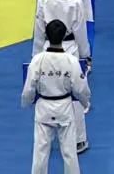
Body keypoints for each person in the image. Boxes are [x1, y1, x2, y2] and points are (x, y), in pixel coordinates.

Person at [21, 19, 88, 174]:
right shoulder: (71, 61)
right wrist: (85, 103)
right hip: (64, 107)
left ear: (46, 35)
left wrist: (27, 102)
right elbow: (80, 88)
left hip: (44, 107)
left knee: (40, 152)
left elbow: (29, 88)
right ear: (64, 36)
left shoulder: (37, 60)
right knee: (69, 153)